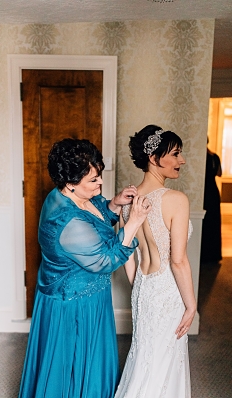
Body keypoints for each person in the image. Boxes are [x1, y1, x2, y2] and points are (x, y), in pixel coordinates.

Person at [18, 138, 151, 398]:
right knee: (72, 369)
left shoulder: (62, 195)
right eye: (93, 180)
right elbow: (106, 261)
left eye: (99, 175)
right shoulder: (67, 221)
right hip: (74, 306)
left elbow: (93, 215)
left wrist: (114, 203)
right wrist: (133, 223)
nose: (100, 183)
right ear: (70, 183)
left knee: (89, 365)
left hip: (84, 296)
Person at [114, 125, 197, 398]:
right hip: (168, 290)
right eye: (175, 154)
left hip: (144, 287)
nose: (181, 161)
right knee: (164, 358)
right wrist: (191, 304)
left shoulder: (129, 200)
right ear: (153, 158)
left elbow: (125, 251)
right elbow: (178, 261)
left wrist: (138, 283)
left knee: (144, 356)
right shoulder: (176, 200)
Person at [200, 142, 222, 263]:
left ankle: (203, 254)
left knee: (206, 222)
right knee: (214, 221)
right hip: (213, 191)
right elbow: (219, 173)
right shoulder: (214, 156)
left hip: (203, 190)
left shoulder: (200, 156)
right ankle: (213, 255)